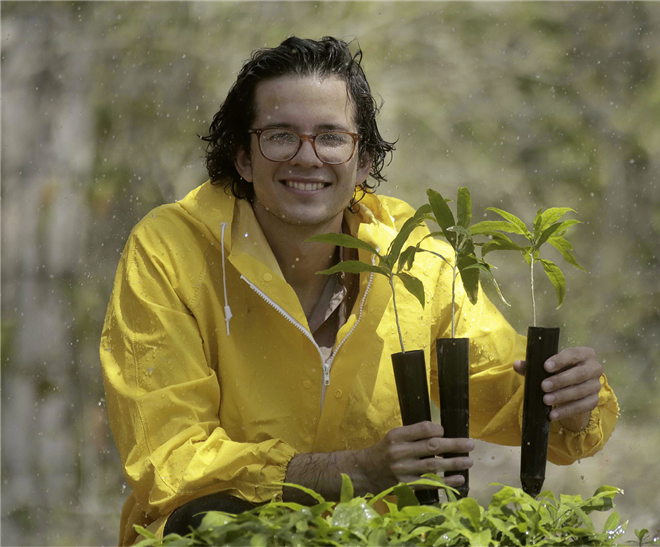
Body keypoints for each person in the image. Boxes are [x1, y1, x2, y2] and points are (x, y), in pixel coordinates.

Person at [100, 36, 618, 545]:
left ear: (364, 161)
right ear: (241, 157)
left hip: (376, 537)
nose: (307, 158)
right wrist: (352, 472)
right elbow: (168, 460)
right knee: (205, 517)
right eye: (280, 136)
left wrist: (569, 402)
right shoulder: (172, 249)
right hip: (219, 537)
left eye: (331, 137)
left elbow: (504, 388)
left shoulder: (411, 254)